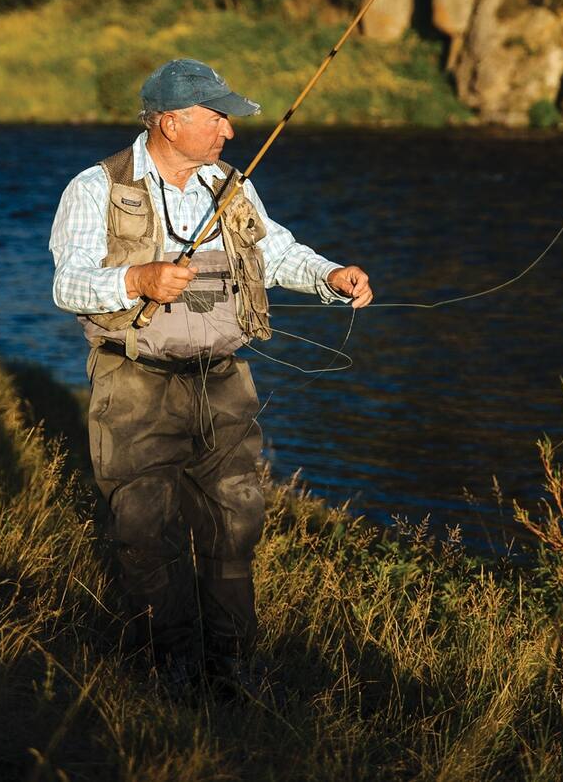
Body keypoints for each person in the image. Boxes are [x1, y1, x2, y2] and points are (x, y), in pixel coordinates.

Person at [49, 58, 372, 696]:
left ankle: (230, 666)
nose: (228, 130)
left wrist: (331, 277)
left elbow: (276, 251)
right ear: (171, 122)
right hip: (134, 381)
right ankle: (162, 665)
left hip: (223, 382)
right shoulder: (95, 187)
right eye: (217, 117)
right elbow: (67, 281)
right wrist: (135, 280)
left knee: (236, 521)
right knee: (143, 526)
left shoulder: (231, 186)